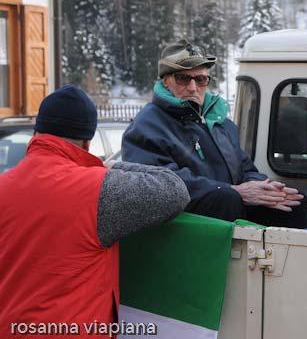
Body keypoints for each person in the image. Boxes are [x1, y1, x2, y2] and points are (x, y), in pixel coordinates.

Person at [0, 85, 190, 336]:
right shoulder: (100, 189)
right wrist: (110, 169)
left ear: (37, 133)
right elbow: (175, 190)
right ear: (87, 142)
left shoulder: (4, 185)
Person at [122, 39, 307, 228]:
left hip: (226, 209)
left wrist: (263, 187)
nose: (192, 87)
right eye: (182, 78)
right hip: (187, 225)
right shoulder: (147, 125)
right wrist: (233, 191)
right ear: (165, 81)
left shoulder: (220, 123)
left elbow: (245, 170)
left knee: (292, 201)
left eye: (200, 79)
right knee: (227, 198)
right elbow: (159, 185)